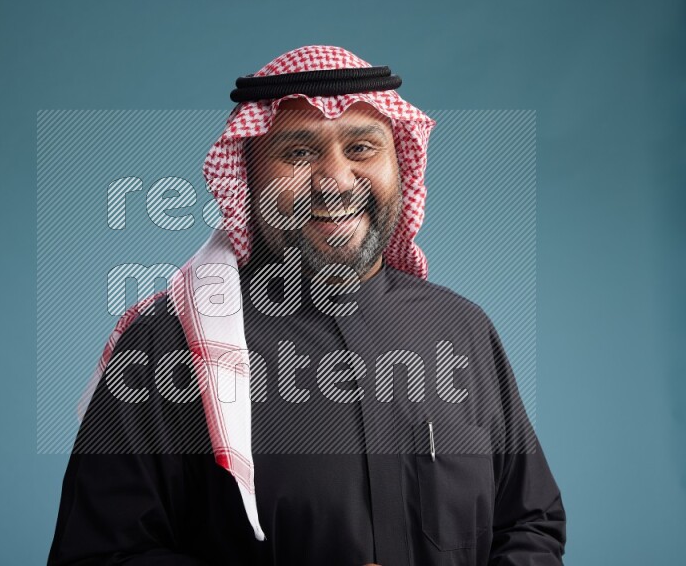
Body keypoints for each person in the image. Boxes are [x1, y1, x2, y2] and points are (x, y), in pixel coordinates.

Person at [48, 45, 566, 566]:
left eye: (362, 148)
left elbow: (529, 525)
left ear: (401, 166)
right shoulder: (169, 342)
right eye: (298, 154)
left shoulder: (461, 328)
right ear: (247, 180)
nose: (336, 180)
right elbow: (97, 555)